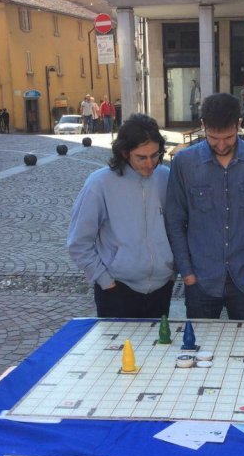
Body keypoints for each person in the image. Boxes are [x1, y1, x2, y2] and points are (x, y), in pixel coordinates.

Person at [165, 92, 244, 320]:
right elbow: (175, 221)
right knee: (200, 349)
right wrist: (187, 274)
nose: (221, 145)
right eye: (214, 138)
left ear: (239, 124)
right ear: (203, 125)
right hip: (200, 279)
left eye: (228, 137)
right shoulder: (184, 163)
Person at [68, 114, 174, 318]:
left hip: (161, 289)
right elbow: (78, 241)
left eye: (155, 155)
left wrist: (171, 272)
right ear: (125, 153)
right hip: (117, 290)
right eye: (141, 157)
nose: (150, 163)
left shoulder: (166, 177)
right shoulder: (99, 184)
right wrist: (104, 280)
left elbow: (176, 227)